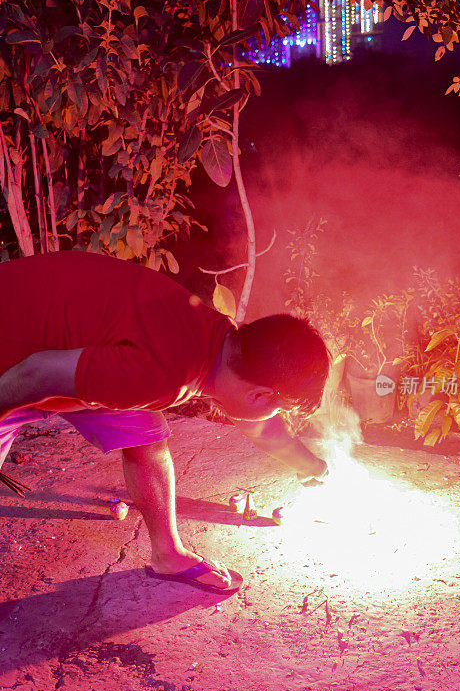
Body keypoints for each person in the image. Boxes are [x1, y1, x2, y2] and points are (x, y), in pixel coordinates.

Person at [0, 252, 329, 594]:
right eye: (281, 409)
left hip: (71, 344)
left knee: (146, 433)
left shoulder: (216, 337)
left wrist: (311, 465)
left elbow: (256, 422)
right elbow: (35, 373)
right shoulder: (165, 375)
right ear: (259, 396)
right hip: (13, 359)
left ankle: (168, 555)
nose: (276, 416)